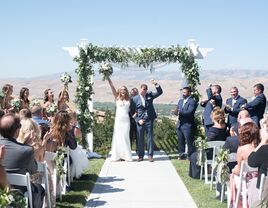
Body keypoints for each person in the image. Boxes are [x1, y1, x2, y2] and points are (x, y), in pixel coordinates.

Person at [0, 113, 45, 208]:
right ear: (17, 131)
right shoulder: (26, 150)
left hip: (1, 190)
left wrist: (24, 145)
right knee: (40, 189)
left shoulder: (25, 149)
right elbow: (33, 171)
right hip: (18, 192)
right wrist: (26, 147)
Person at [189, 107, 227, 178]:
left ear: (214, 117)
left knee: (193, 156)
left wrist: (201, 144)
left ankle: (197, 175)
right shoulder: (226, 127)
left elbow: (207, 144)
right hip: (222, 153)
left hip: (212, 154)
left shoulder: (213, 129)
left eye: (211, 115)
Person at [131, 79, 163, 162]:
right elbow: (131, 111)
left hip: (149, 120)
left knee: (149, 138)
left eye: (145, 90)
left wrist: (156, 84)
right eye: (142, 90)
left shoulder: (150, 95)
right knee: (140, 139)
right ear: (140, 89)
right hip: (140, 121)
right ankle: (140, 156)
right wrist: (138, 120)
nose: (144, 91)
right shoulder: (134, 99)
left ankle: (150, 155)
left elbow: (160, 92)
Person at [107, 77, 132, 162]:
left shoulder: (129, 99)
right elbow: (112, 87)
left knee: (125, 137)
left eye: (124, 89)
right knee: (117, 137)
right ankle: (117, 156)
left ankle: (126, 156)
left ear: (126, 91)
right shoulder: (116, 97)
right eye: (121, 89)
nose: (123, 91)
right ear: (119, 91)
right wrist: (108, 78)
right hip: (118, 121)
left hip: (126, 121)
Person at [175, 87, 197, 160]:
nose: (183, 94)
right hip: (180, 124)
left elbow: (190, 112)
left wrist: (180, 112)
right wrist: (175, 112)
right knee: (180, 140)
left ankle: (191, 156)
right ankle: (181, 155)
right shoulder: (180, 101)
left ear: (189, 93)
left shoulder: (192, 101)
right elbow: (177, 110)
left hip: (188, 125)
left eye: (185, 92)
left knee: (189, 141)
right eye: (183, 92)